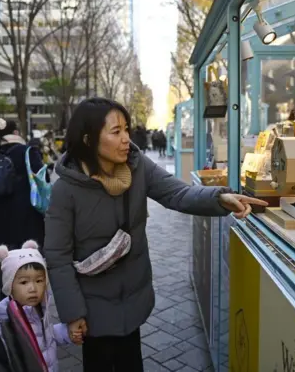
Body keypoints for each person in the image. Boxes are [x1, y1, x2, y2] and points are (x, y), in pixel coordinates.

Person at [44, 98, 266, 371]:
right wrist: (73, 312)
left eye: (126, 129)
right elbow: (57, 256)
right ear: (89, 140)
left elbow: (178, 193)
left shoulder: (138, 168)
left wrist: (220, 198)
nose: (127, 139)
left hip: (133, 299)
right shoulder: (66, 190)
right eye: (116, 132)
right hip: (93, 308)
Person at [0, 240, 80, 371]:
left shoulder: (38, 308)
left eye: (39, 280)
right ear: (9, 287)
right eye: (23, 282)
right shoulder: (9, 321)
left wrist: (67, 332)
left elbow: (46, 336)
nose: (33, 288)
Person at [0, 119, 46, 302]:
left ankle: (3, 289)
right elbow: (43, 177)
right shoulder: (28, 152)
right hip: (24, 211)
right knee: (27, 250)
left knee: (1, 251)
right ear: (16, 132)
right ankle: (29, 289)